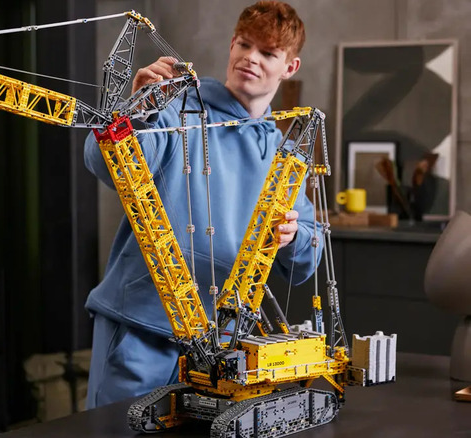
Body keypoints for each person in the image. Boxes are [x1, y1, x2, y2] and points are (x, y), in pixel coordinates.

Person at [83, 0, 322, 409]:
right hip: (142, 327)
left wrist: (294, 234)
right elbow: (103, 161)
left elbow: (306, 262)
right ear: (231, 45)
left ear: (290, 68)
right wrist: (137, 108)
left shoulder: (284, 156)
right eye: (244, 44)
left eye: (268, 52)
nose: (251, 58)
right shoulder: (176, 111)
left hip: (222, 349)